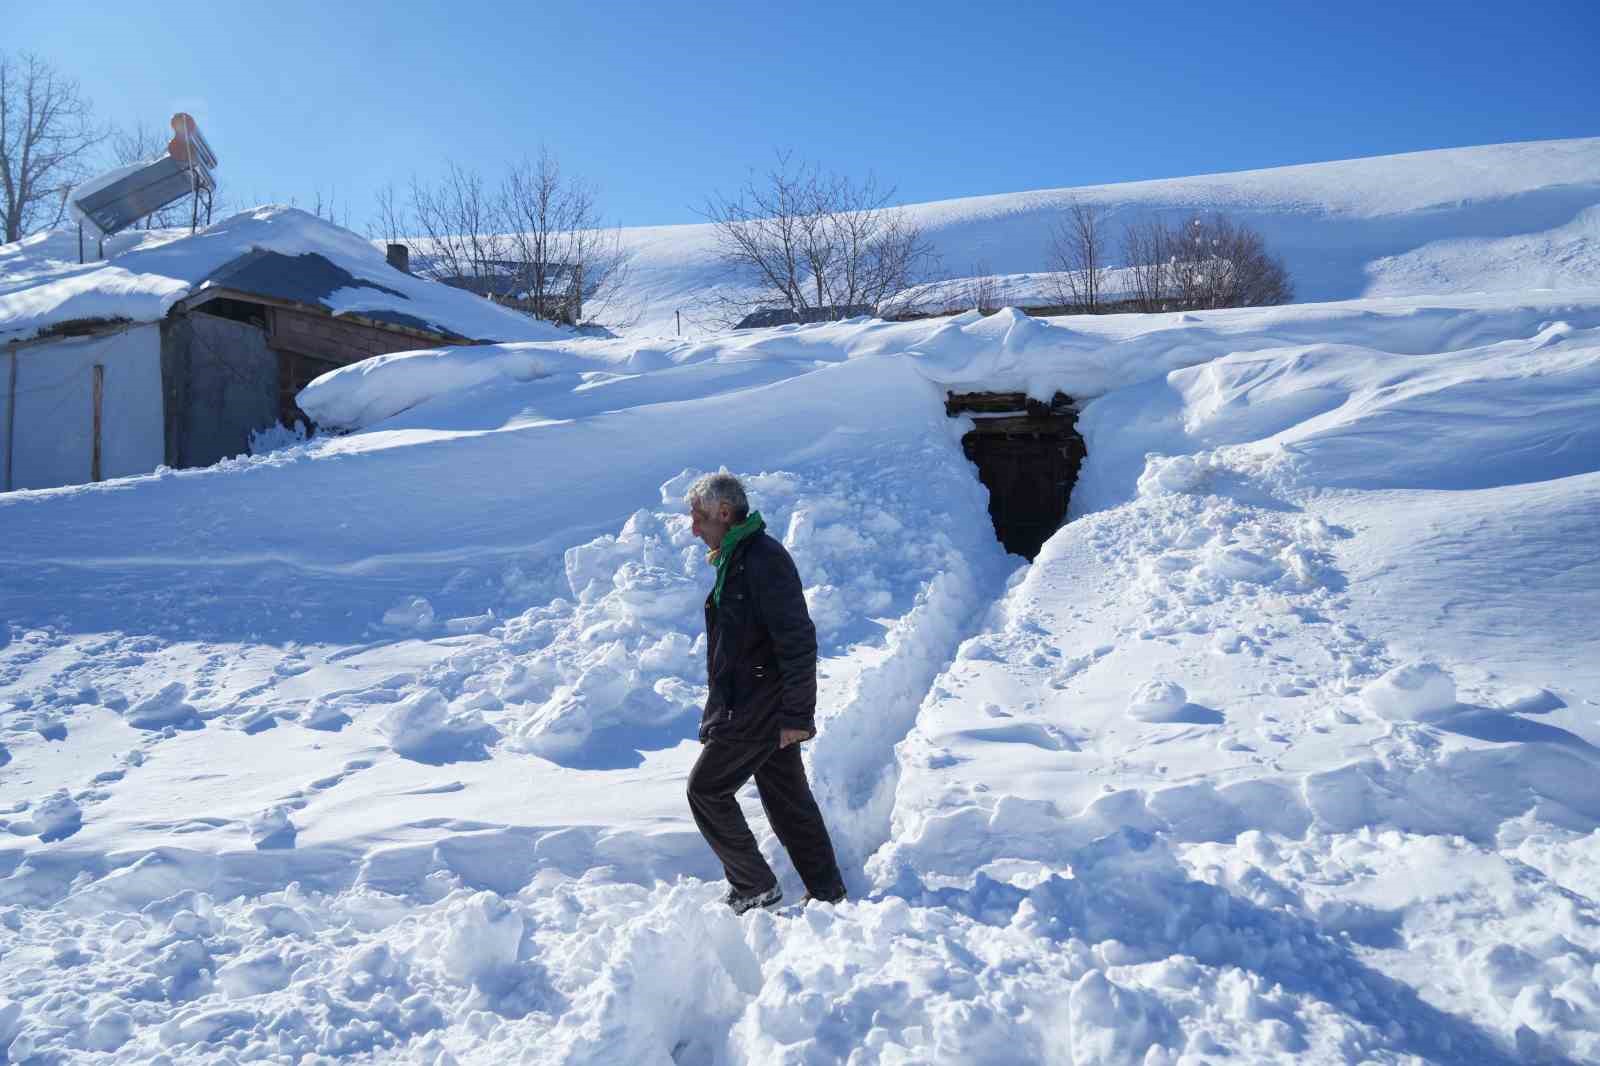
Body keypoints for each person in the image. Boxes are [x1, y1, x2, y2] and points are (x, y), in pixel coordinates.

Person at [684, 472, 847, 914]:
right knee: (787, 798)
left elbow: (796, 638)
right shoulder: (736, 557)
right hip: (752, 702)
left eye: (698, 518)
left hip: (757, 706)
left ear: (723, 512)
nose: (694, 529)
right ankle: (828, 892)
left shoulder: (762, 559)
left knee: (707, 790)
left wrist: (797, 714)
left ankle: (754, 884)